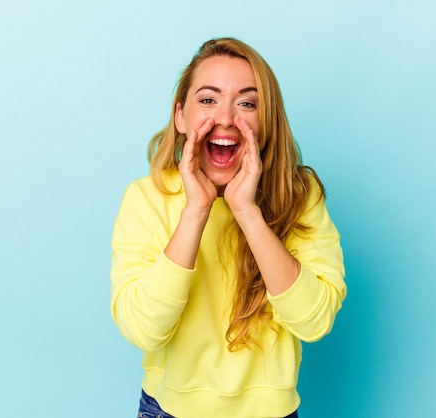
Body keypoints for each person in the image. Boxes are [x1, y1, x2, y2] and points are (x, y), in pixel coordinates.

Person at [111, 37, 346, 418]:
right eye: (208, 99)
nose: (224, 117)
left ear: (265, 120)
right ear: (180, 116)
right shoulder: (146, 198)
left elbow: (314, 321)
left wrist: (248, 213)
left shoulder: (302, 198)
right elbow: (143, 330)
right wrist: (196, 211)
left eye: (247, 103)